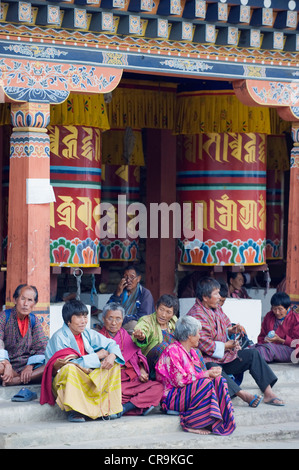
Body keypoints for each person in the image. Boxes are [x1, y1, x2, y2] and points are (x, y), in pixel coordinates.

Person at [187, 277, 285, 407]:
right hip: (206, 359)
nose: (219, 297)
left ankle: (268, 393)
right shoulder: (196, 315)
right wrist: (226, 346)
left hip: (224, 356)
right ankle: (244, 395)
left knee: (252, 354)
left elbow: (226, 324)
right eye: (216, 293)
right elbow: (203, 343)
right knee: (214, 369)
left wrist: (231, 330)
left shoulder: (216, 308)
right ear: (205, 297)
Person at [41, 299, 125, 422]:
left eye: (85, 317)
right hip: (64, 378)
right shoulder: (59, 337)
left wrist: (111, 355)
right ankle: (75, 411)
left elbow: (112, 344)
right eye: (79, 317)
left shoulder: (87, 333)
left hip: (86, 373)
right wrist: (97, 356)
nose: (84, 321)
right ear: (68, 320)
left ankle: (105, 409)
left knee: (114, 364)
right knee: (70, 369)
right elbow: (67, 365)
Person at [156, 316, 236, 436]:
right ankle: (192, 422)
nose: (200, 336)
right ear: (190, 336)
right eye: (198, 333)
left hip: (189, 392)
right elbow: (180, 381)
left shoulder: (193, 352)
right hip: (173, 397)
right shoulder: (172, 350)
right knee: (205, 383)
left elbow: (199, 375)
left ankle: (217, 420)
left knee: (219, 380)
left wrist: (212, 373)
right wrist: (206, 374)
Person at [99, 302, 164, 416]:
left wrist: (142, 371)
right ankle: (138, 405)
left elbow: (137, 356)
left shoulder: (126, 337)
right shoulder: (97, 338)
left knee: (158, 388)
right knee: (107, 395)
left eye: (118, 319)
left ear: (123, 319)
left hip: (134, 382)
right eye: (110, 318)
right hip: (115, 384)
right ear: (103, 319)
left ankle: (125, 408)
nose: (114, 323)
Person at [0, 284, 47, 388]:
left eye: (30, 300)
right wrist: (6, 364)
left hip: (26, 366)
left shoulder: (34, 321)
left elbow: (41, 347)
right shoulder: (4, 316)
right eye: (22, 299)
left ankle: (16, 380)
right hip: (6, 365)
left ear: (34, 303)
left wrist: (30, 366)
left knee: (51, 365)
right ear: (15, 300)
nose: (25, 304)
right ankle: (21, 378)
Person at [132, 294, 179, 378]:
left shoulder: (174, 322)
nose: (163, 315)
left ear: (173, 314)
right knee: (163, 347)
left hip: (173, 361)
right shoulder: (147, 320)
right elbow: (142, 328)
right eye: (161, 310)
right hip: (149, 364)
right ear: (156, 308)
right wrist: (141, 336)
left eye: (168, 312)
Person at [108, 266, 155, 334]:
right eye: (125, 277)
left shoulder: (144, 294)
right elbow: (108, 309)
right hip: (117, 323)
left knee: (133, 324)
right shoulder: (120, 291)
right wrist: (117, 295)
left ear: (138, 279)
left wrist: (121, 319)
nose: (128, 280)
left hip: (133, 325)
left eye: (132, 277)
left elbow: (144, 316)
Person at [254, 292, 299, 363]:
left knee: (266, 350)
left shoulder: (296, 319)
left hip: (290, 350)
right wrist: (265, 339)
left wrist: (280, 340)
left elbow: (296, 343)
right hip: (268, 346)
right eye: (274, 309)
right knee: (252, 348)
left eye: (280, 309)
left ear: (288, 308)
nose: (277, 312)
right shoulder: (269, 316)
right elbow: (261, 336)